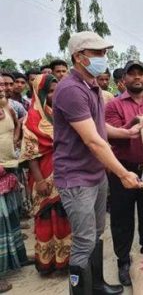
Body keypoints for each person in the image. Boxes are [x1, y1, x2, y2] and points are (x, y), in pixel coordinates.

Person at [53, 31, 142, 294]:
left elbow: (98, 127)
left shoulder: (91, 86)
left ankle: (97, 285)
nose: (104, 58)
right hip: (76, 177)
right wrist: (123, 173)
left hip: (94, 174)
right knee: (83, 241)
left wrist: (125, 132)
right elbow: (93, 141)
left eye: (104, 52)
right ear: (80, 57)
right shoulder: (70, 90)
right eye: (98, 53)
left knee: (96, 234)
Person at [105, 60, 143, 286]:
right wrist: (136, 125)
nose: (137, 77)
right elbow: (112, 135)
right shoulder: (113, 105)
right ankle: (123, 261)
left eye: (141, 73)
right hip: (123, 169)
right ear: (124, 80)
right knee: (122, 217)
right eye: (132, 74)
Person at [20, 74, 71, 275]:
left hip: (65, 173)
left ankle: (65, 260)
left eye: (57, 90)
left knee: (64, 217)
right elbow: (30, 154)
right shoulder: (31, 119)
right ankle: (47, 262)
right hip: (43, 175)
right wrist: (40, 180)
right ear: (39, 93)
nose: (55, 94)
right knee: (47, 218)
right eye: (50, 91)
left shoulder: (61, 112)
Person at [0, 75, 30, 293]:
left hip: (8, 169)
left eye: (4, 85)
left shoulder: (9, 109)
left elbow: (16, 131)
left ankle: (16, 259)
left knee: (10, 219)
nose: (3, 88)